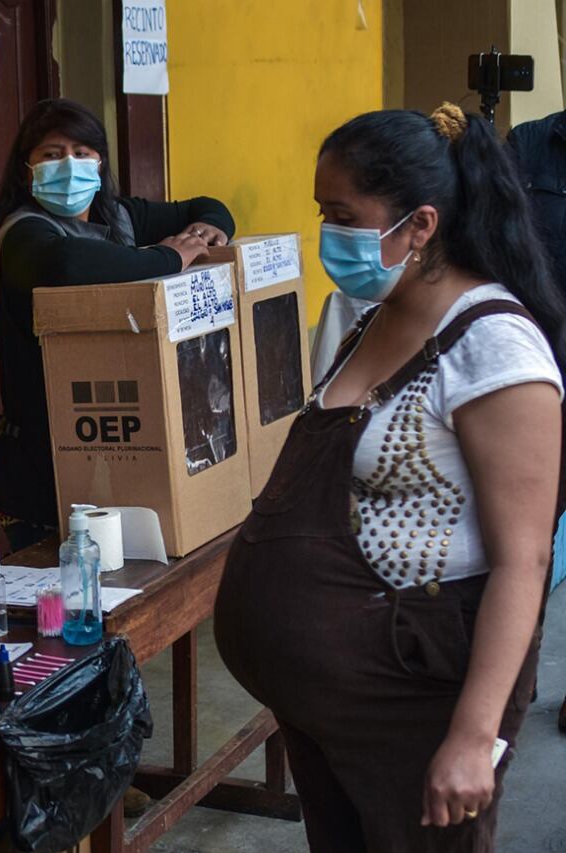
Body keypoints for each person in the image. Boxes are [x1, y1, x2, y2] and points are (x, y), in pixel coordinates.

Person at [215, 104, 565, 853]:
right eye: (322, 212)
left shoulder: (493, 346)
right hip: (327, 706)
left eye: (344, 214)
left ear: (422, 225)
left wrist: (473, 738)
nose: (328, 235)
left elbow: (524, 560)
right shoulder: (369, 313)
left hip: (417, 701)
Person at [0, 99, 234, 549]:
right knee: (61, 612)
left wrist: (209, 228)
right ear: (27, 169)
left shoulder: (120, 215)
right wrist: (170, 257)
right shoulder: (24, 234)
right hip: (44, 474)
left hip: (123, 457)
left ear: (100, 163)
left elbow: (207, 206)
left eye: (82, 152)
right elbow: (69, 264)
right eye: (51, 154)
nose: (69, 165)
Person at [507, 110, 566, 735]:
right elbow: (499, 244)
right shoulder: (530, 143)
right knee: (525, 543)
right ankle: (510, 694)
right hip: (538, 379)